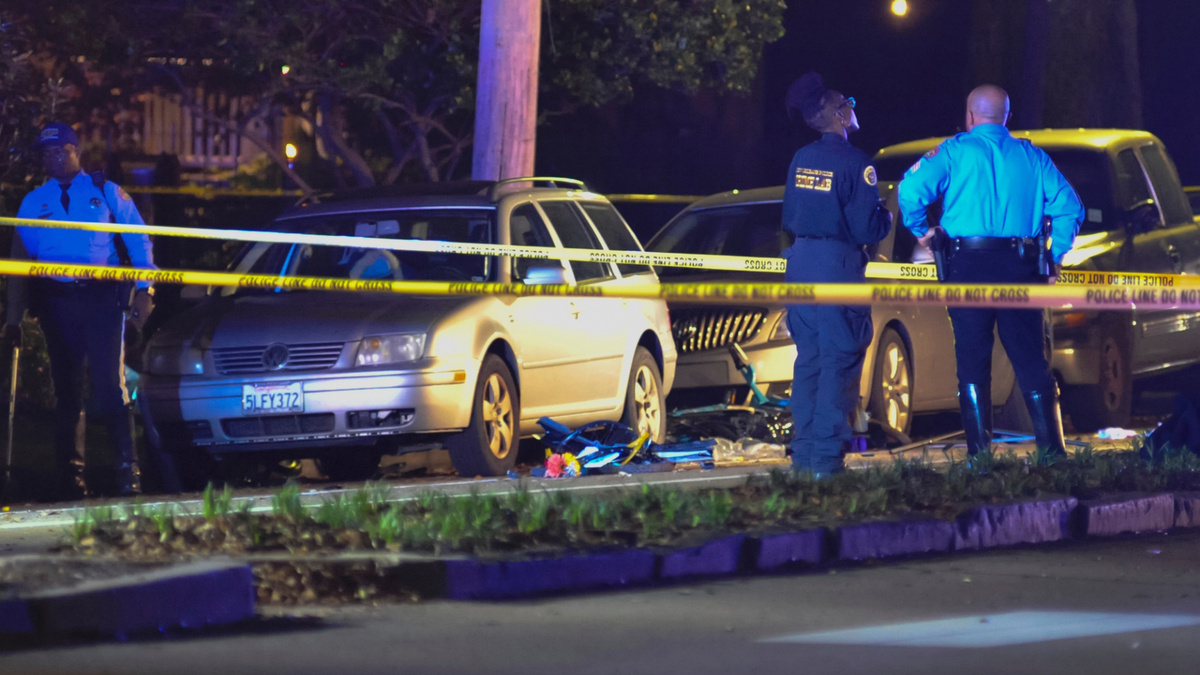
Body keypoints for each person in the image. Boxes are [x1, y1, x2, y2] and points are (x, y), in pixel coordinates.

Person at [897, 85, 1084, 462]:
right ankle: (1054, 456)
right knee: (1031, 360)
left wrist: (925, 232)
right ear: (1007, 118)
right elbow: (1069, 206)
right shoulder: (1032, 155)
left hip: (967, 266)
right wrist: (1056, 255)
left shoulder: (952, 151)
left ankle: (980, 460)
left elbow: (910, 190)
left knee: (971, 360)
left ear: (969, 117)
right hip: (1021, 266)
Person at [5, 122, 156, 499]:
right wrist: (13, 318)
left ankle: (128, 477)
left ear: (76, 151)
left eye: (60, 150)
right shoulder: (33, 202)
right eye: (46, 152)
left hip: (101, 298)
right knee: (67, 391)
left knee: (110, 386)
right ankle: (70, 482)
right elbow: (19, 266)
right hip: (57, 303)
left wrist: (145, 290)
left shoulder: (106, 192)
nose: (53, 157)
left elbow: (139, 242)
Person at [782, 73, 893, 476]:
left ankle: (805, 459)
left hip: (800, 267)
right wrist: (887, 216)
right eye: (848, 102)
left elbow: (790, 215)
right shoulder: (855, 162)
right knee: (839, 361)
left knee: (809, 361)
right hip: (836, 267)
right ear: (836, 115)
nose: (853, 107)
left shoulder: (802, 158)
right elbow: (867, 229)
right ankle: (826, 465)